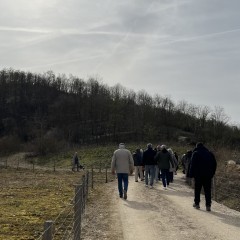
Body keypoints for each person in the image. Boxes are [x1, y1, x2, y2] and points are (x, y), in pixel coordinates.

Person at [189, 142, 217, 211]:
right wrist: (212, 173)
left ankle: (197, 204)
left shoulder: (195, 153)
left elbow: (192, 164)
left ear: (197, 146)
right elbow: (215, 164)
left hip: (198, 175)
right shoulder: (210, 153)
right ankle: (208, 205)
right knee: (207, 190)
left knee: (197, 189)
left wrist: (191, 174)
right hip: (208, 175)